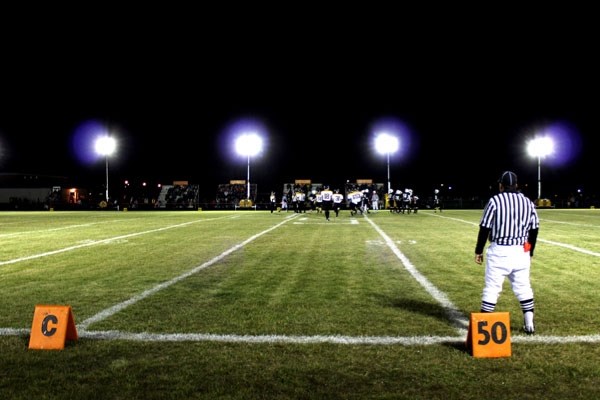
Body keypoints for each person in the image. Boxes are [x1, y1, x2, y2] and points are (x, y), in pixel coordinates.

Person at [474, 170, 539, 334]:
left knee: (492, 288)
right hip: (521, 251)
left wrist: (478, 250)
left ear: (501, 185)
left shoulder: (495, 200)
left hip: (500, 250)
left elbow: (485, 227)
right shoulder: (528, 202)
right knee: (523, 287)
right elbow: (534, 229)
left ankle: (484, 328)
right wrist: (529, 252)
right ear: (516, 185)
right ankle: (529, 324)